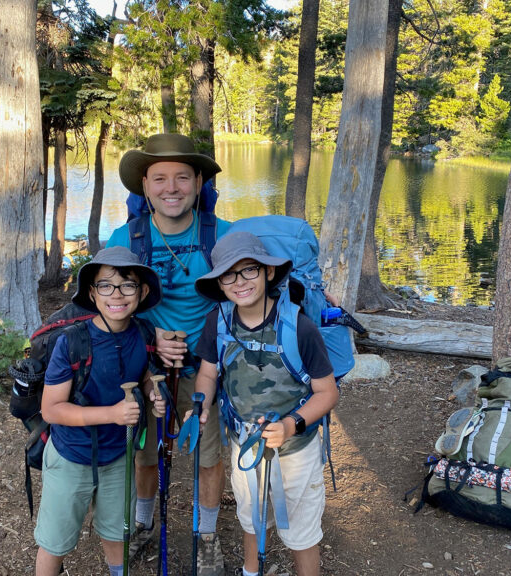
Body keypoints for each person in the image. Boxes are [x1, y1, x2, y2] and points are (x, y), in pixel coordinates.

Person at [106, 133, 231, 575]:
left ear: (199, 183)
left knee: (208, 456)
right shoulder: (126, 240)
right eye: (160, 178)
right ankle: (142, 525)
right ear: (144, 185)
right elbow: (107, 305)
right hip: (146, 371)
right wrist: (151, 333)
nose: (171, 187)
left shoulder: (222, 236)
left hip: (204, 373)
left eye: (182, 177)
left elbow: (250, 296)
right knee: (144, 453)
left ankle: (208, 536)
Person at [192, 232, 339, 576]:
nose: (239, 282)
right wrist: (201, 402)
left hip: (296, 450)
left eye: (249, 271)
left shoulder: (298, 327)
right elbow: (208, 374)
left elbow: (327, 393)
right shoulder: (219, 321)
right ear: (219, 282)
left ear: (268, 273)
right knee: (252, 518)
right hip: (245, 445)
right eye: (229, 274)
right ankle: (250, 570)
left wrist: (290, 426)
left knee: (301, 531)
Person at [34, 246, 166, 576]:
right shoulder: (72, 342)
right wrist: (112, 414)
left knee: (117, 532)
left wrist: (154, 393)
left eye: (127, 285)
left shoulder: (144, 333)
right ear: (92, 294)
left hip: (119, 458)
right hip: (70, 457)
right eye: (106, 285)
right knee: (55, 542)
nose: (117, 294)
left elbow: (145, 375)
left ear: (143, 291)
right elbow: (51, 410)